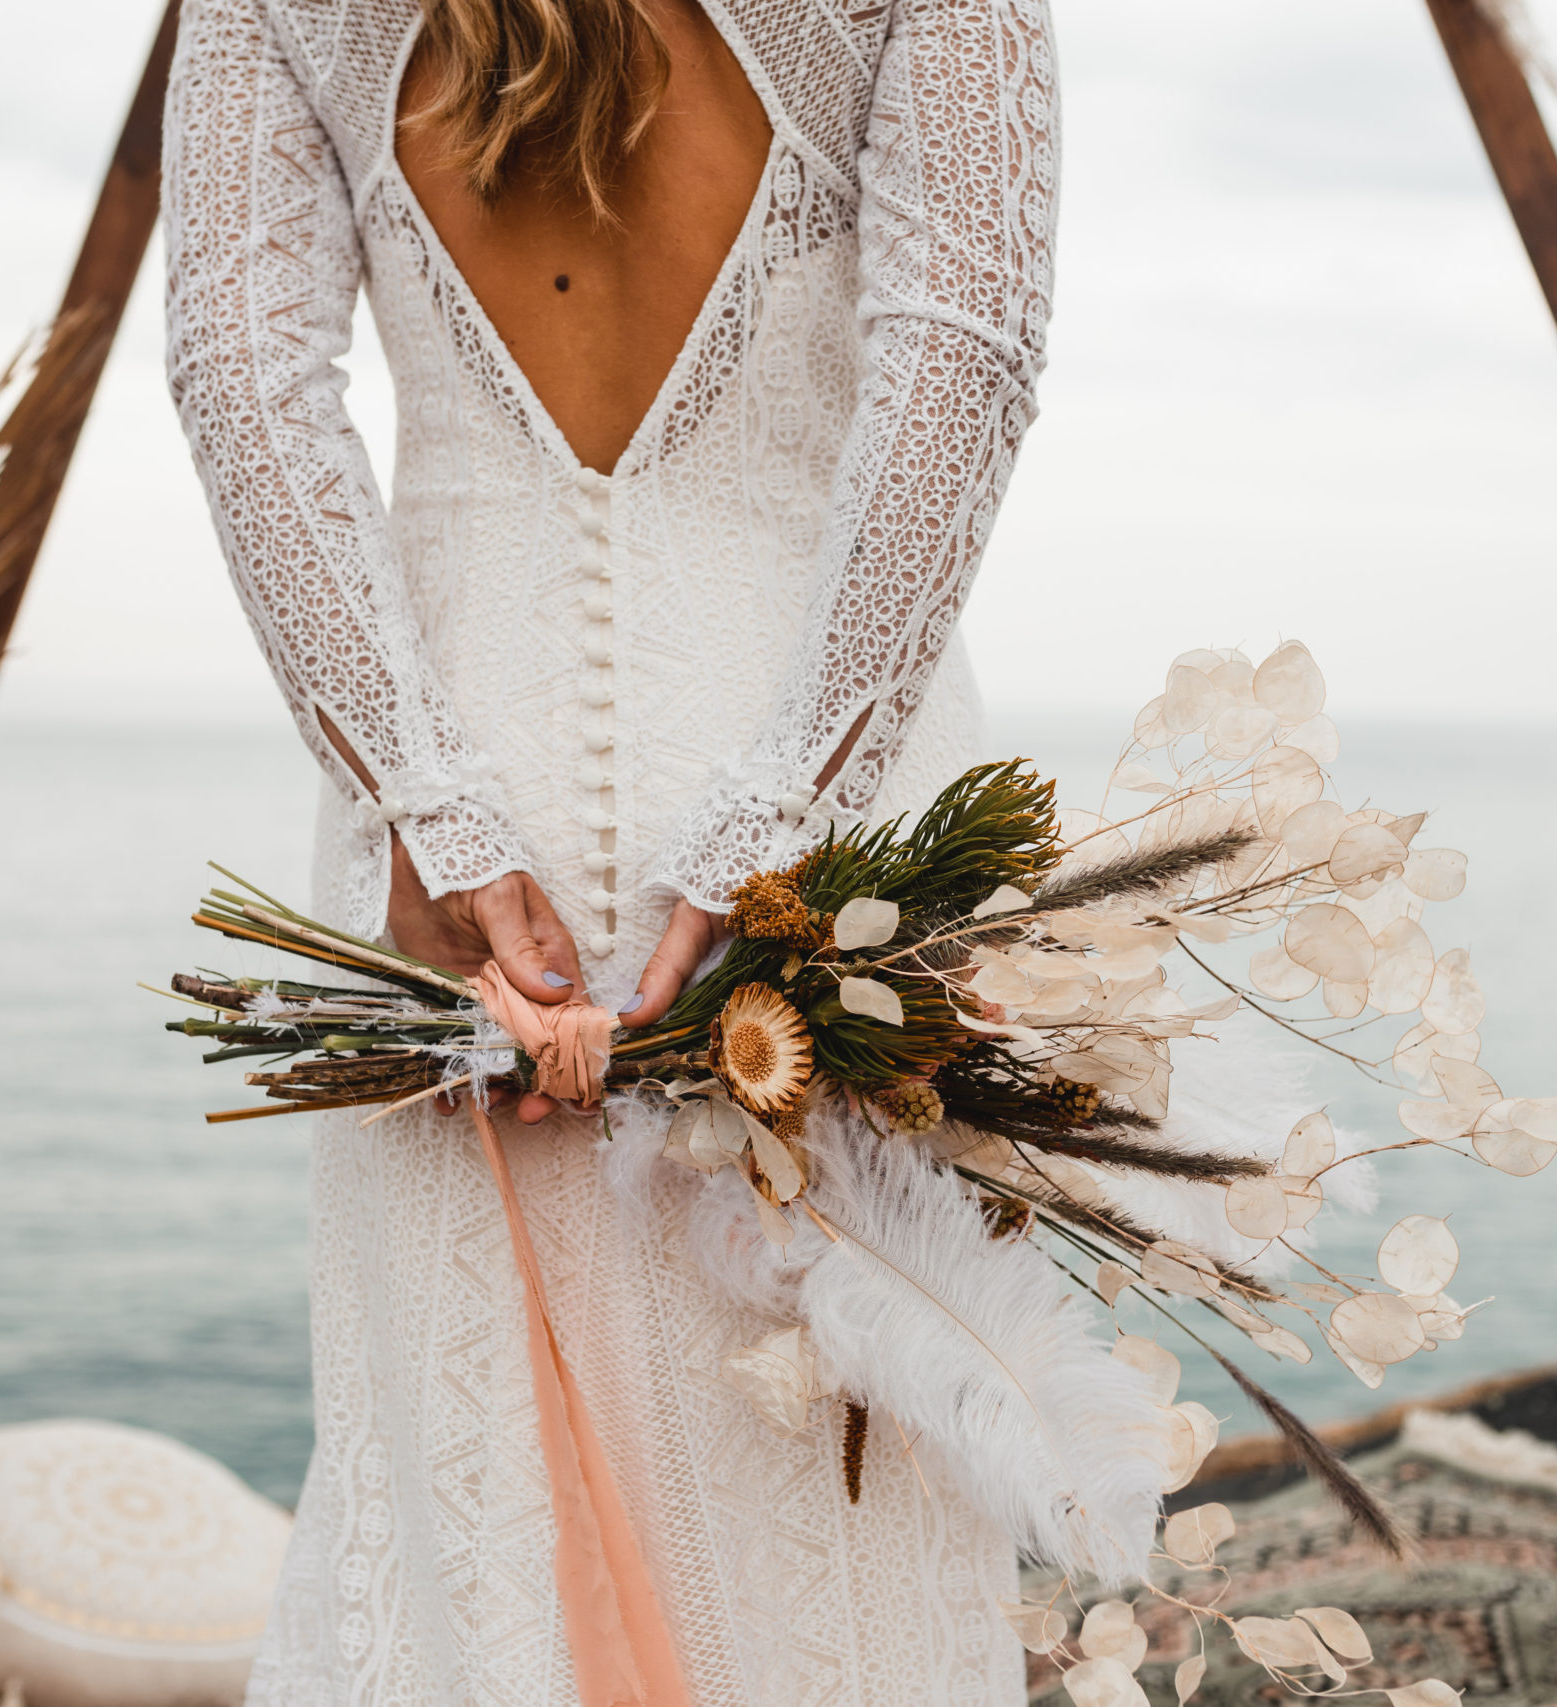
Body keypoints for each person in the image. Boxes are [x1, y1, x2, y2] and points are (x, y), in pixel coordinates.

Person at [162, 0, 1058, 1695]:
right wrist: (789, 821)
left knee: (466, 1509)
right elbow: (966, 352)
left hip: (453, 851)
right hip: (817, 810)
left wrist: (419, 799)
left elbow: (241, 377)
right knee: (846, 1524)